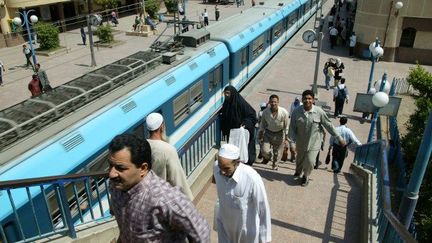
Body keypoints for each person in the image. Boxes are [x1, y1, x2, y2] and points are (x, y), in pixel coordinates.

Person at [108, 134, 210, 242]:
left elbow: (201, 231)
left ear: (143, 168)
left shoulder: (164, 198)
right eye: (110, 165)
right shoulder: (115, 186)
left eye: (120, 168)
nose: (111, 174)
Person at [214, 144, 271, 243]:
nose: (222, 172)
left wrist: (264, 238)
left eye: (226, 168)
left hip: (246, 233)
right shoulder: (216, 168)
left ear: (237, 163)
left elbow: (263, 209)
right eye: (220, 167)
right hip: (224, 227)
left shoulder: (252, 178)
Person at [288, 90, 345, 186]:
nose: (307, 101)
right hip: (301, 142)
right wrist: (291, 143)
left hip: (314, 142)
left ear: (313, 100)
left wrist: (339, 137)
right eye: (305, 98)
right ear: (302, 99)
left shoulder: (319, 112)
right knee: (299, 161)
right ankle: (298, 171)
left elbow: (329, 125)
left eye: (310, 98)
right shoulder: (296, 112)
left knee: (310, 161)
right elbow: (292, 129)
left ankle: (306, 176)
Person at [145, 112, 194, 200]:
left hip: (149, 197)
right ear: (161, 127)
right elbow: (177, 179)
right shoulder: (168, 149)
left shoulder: (143, 145)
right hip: (164, 198)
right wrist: (188, 200)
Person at [220, 85, 257, 166]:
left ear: (232, 94)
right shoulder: (227, 103)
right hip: (233, 132)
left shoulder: (241, 103)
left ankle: (247, 163)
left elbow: (252, 115)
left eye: (228, 93)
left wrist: (245, 123)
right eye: (225, 93)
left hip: (241, 132)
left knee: (245, 149)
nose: (226, 95)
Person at [258, 94, 289, 170]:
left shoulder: (284, 112)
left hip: (279, 133)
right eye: (271, 102)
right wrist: (260, 133)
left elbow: (286, 126)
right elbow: (263, 124)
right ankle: (269, 157)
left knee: (278, 152)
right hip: (268, 133)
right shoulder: (265, 112)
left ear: (278, 102)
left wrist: (286, 138)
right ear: (269, 102)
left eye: (275, 102)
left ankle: (275, 165)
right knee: (264, 150)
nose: (273, 103)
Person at [288, 97, 302, 162]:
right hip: (293, 122)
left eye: (297, 100)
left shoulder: (301, 105)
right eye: (296, 100)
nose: (296, 101)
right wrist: (290, 116)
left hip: (300, 126)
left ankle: (296, 156)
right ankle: (292, 156)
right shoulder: (292, 104)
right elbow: (291, 110)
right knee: (292, 145)